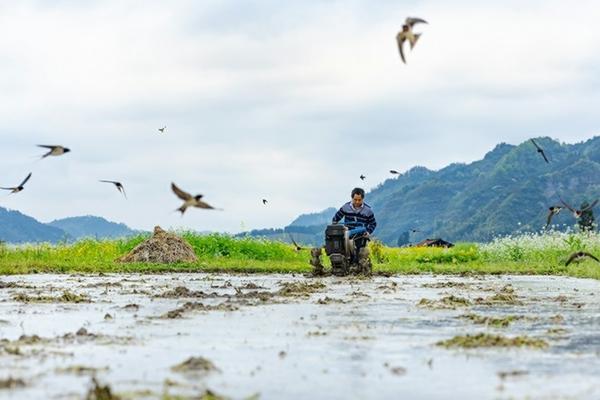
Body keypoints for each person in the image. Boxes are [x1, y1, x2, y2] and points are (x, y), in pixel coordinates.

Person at [332, 187, 377, 262]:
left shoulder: (368, 211)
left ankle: (356, 264)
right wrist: (335, 224)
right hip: (347, 233)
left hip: (360, 235)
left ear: (363, 199)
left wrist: (368, 232)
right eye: (355, 199)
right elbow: (335, 219)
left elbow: (373, 223)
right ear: (352, 198)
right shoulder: (345, 207)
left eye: (359, 200)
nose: (357, 202)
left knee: (358, 255)